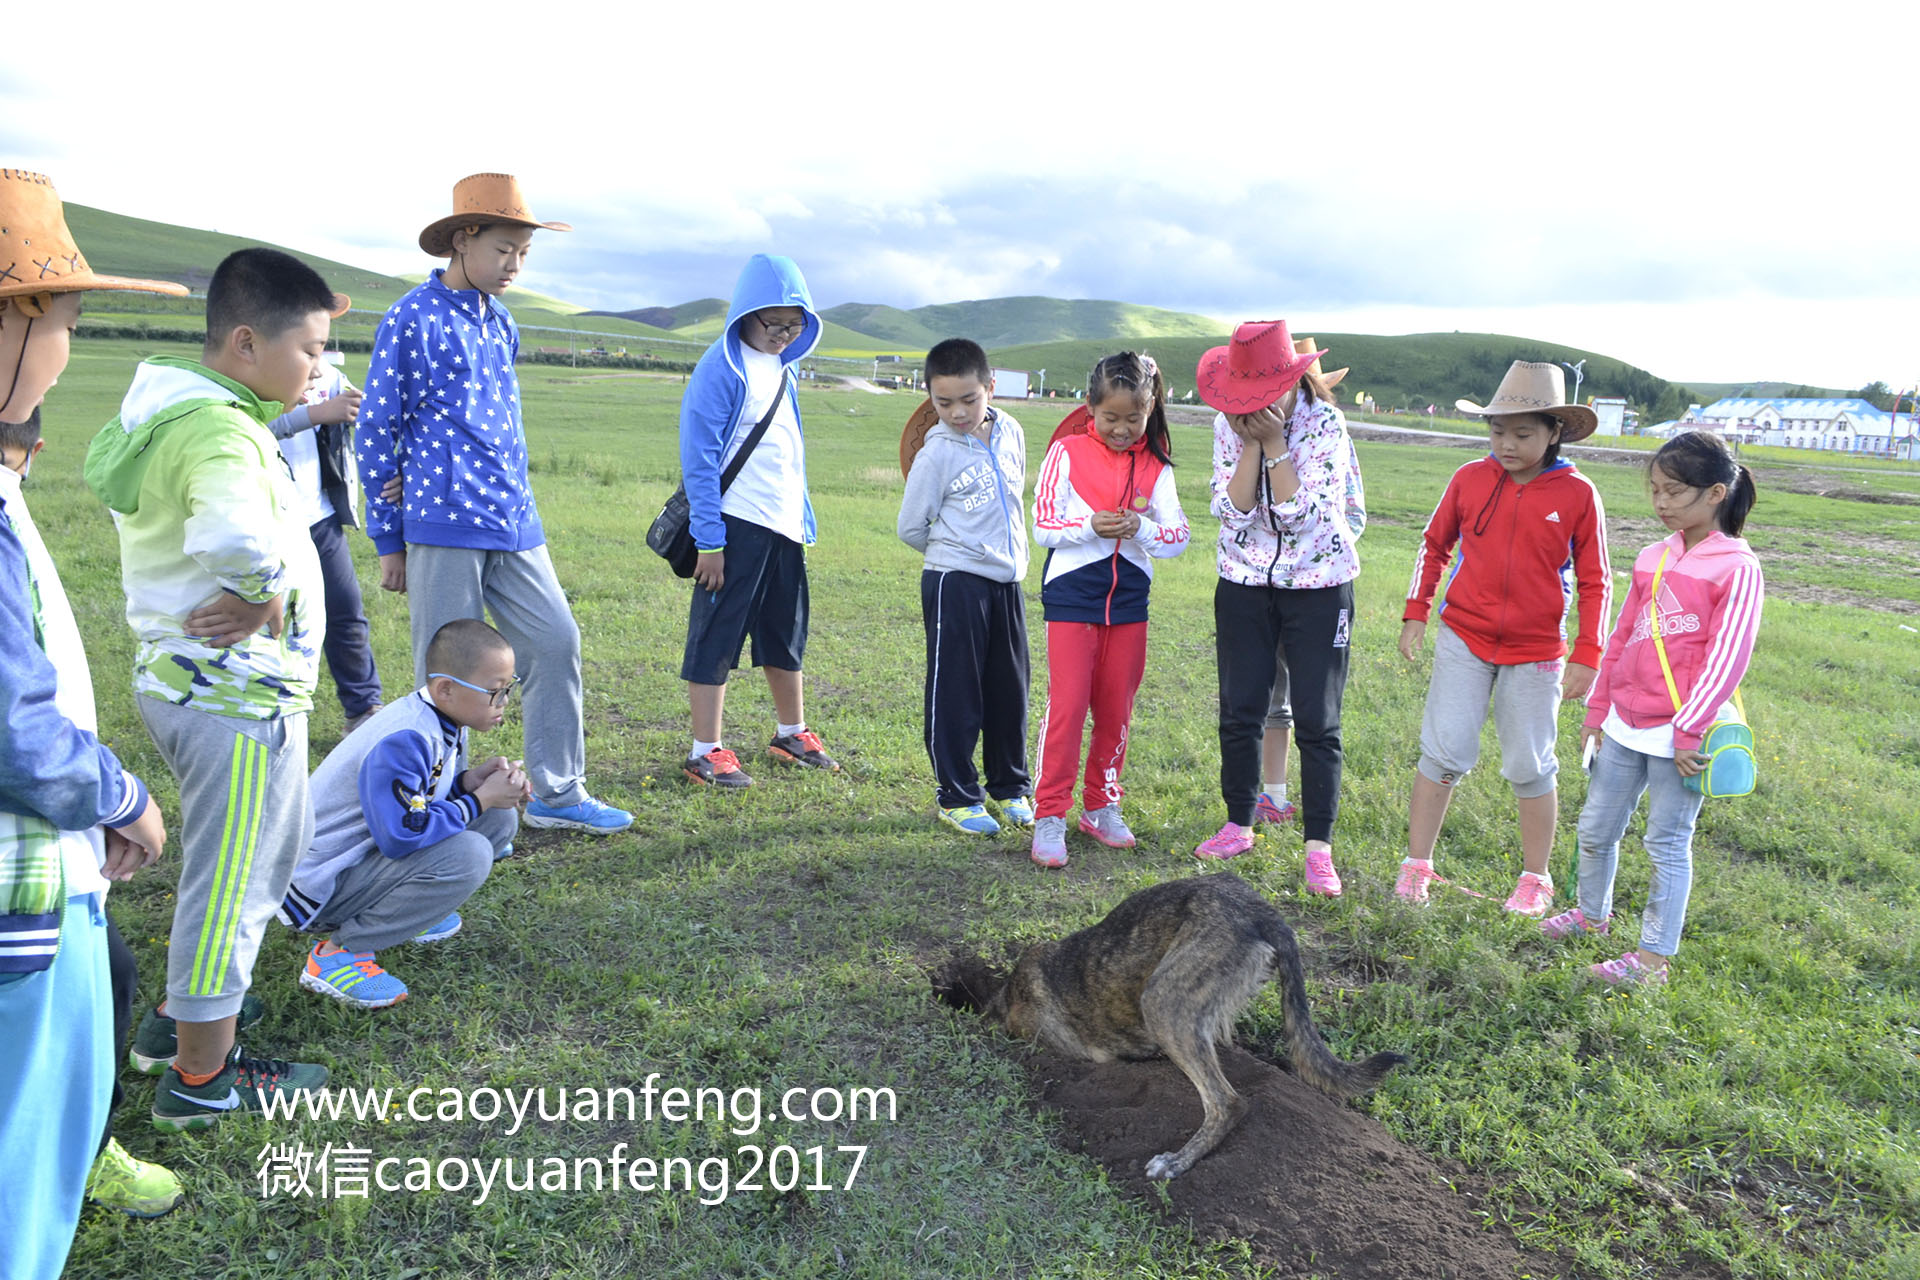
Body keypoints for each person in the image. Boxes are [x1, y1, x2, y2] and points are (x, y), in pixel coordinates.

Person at [85, 246, 336, 1130]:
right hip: (232, 694)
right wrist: (263, 586)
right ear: (243, 341)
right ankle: (201, 1078)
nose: (318, 367)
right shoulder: (221, 430)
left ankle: (174, 1024)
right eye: (309, 348)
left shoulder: (179, 413)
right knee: (231, 880)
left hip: (192, 685)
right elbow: (232, 529)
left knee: (251, 857)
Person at [0, 170, 178, 1276]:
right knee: (23, 1168)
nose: (67, 345)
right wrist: (122, 794)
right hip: (19, 897)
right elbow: (14, 728)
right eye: (60, 316)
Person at [357, 173, 630, 833]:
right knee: (448, 679)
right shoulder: (411, 317)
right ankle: (447, 814)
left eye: (524, 255)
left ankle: (558, 794)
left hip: (514, 521)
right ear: (463, 239)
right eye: (505, 249)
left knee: (555, 641)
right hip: (442, 523)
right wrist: (388, 539)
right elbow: (376, 430)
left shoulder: (500, 320)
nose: (514, 265)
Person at [1541, 431, 1763, 986]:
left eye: (1674, 492)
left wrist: (1689, 730)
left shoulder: (1738, 567)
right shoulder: (1651, 557)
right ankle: (1591, 918)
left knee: (1667, 844)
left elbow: (1727, 658)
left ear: (1716, 493)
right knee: (1595, 829)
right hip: (1622, 725)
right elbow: (1622, 637)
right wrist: (1598, 709)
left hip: (1679, 740)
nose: (1661, 503)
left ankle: (1651, 963)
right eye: (1656, 490)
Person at [1395, 361, 1610, 915]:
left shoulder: (1579, 495)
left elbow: (1596, 579)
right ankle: (1416, 865)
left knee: (1531, 765)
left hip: (1538, 652)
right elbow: (1434, 543)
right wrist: (1417, 611)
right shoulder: (1469, 479)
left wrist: (1588, 652)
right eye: (1497, 432)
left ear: (1554, 432)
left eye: (1522, 434)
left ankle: (1535, 877)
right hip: (1463, 638)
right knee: (1443, 751)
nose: (1506, 445)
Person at [1193, 321, 1364, 894]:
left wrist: (1274, 445)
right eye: (1240, 397)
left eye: (1261, 396)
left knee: (1318, 718)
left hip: (1319, 584)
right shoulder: (1226, 424)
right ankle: (1239, 822)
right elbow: (1233, 509)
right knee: (1240, 708)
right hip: (1243, 580)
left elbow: (1304, 515)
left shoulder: (1326, 425)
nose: (1248, 407)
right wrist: (1248, 443)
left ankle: (1319, 848)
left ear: (1292, 383)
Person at [279, 619, 525, 1008]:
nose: (505, 702)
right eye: (495, 692)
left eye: (509, 689)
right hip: (318, 886)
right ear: (446, 688)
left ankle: (410, 913)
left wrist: (468, 784)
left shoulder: (442, 718)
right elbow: (399, 836)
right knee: (470, 852)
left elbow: (419, 798)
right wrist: (478, 800)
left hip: (358, 861)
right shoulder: (406, 736)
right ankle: (337, 955)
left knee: (499, 820)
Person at [677, 254, 839, 788]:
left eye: (795, 326)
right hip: (733, 524)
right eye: (774, 325)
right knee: (717, 632)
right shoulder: (721, 368)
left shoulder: (784, 368)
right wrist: (709, 540)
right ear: (745, 314)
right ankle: (707, 750)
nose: (783, 335)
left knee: (784, 631)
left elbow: (786, 449)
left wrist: (802, 519)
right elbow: (699, 459)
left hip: (783, 525)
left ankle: (790, 732)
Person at [1029, 352, 1190, 867]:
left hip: (1129, 604)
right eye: (1110, 418)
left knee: (1116, 709)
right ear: (1090, 409)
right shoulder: (1066, 452)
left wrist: (1141, 529)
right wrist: (1089, 527)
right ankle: (1050, 812)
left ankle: (1100, 805)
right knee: (1069, 706)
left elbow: (1178, 536)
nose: (1122, 429)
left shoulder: (1156, 465)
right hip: (1072, 598)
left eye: (1133, 419)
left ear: (1150, 411)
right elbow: (1044, 526)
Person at [897, 339, 1032, 835]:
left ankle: (1011, 788)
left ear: (990, 388)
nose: (957, 412)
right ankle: (956, 796)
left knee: (1008, 689)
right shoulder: (935, 457)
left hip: (1007, 582)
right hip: (955, 583)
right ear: (929, 396)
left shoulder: (1013, 432)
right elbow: (912, 527)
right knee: (957, 691)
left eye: (969, 400)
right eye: (944, 402)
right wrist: (958, 554)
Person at [267, 313, 383, 732]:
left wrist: (358, 410)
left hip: (320, 518)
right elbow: (250, 427)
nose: (315, 360)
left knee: (346, 612)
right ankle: (273, 709)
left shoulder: (330, 376)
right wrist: (315, 414)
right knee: (269, 616)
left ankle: (363, 710)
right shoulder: (261, 375)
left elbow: (358, 415)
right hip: (269, 522)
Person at [1254, 340, 1351, 829]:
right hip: (1260, 580)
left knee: (1308, 701)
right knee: (1271, 694)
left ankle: (1290, 802)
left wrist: (1317, 555)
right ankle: (1271, 794)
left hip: (1315, 582)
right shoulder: (1249, 425)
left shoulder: (1328, 431)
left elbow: (1346, 511)